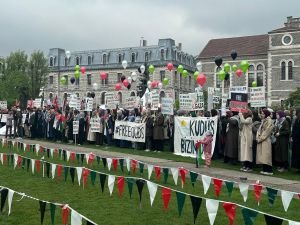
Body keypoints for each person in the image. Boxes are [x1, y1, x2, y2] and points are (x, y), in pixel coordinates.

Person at [256, 109, 274, 175]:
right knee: (263, 155)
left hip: (265, 140)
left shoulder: (269, 121)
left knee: (266, 155)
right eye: (261, 113)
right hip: (261, 139)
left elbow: (267, 131)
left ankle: (269, 170)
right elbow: (259, 130)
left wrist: (260, 138)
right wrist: (258, 137)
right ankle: (264, 169)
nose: (262, 115)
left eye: (263, 113)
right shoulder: (263, 120)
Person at [291, 108, 300, 173]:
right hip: (296, 140)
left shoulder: (297, 119)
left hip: (298, 139)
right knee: (297, 154)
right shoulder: (297, 119)